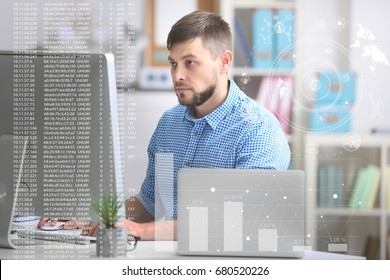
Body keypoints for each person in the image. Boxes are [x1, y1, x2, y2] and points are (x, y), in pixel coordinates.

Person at [38, 10, 291, 240]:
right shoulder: (169, 124)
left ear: (224, 62)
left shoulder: (259, 131)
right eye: (173, 63)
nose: (177, 75)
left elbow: (239, 222)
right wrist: (96, 216)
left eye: (190, 62)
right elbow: (148, 204)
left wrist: (139, 230)